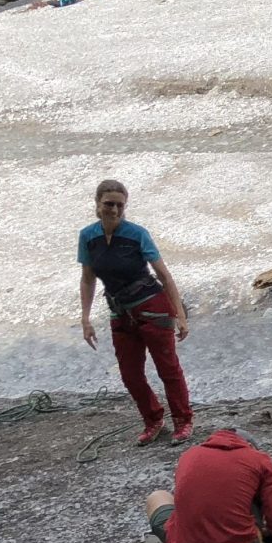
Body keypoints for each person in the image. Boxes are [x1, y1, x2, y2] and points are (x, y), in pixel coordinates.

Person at [78, 178, 193, 447]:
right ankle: (153, 419)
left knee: (168, 368)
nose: (114, 210)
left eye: (119, 205)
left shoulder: (137, 234)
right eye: (109, 204)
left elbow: (164, 275)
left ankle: (183, 420)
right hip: (119, 311)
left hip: (152, 307)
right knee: (130, 374)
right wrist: (85, 318)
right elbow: (87, 278)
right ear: (97, 204)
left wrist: (180, 315)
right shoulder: (88, 237)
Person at [144, 428, 272, 543]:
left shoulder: (189, 455)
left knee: (157, 497)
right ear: (249, 445)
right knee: (247, 497)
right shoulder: (258, 459)